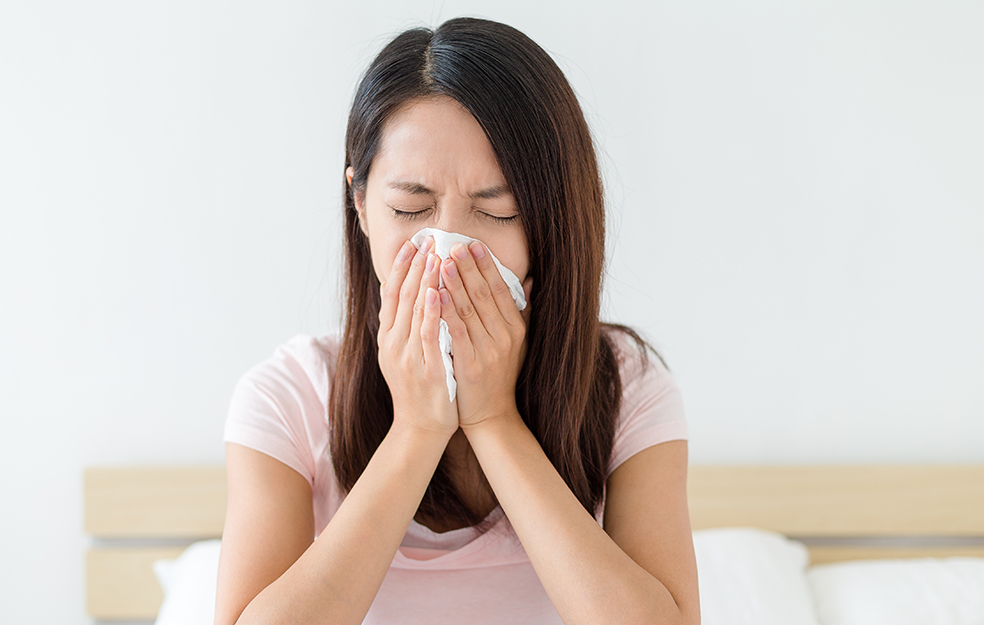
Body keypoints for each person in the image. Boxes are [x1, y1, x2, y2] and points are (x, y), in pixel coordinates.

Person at [215, 16, 699, 625]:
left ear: (551, 220)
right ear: (361, 206)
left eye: (497, 212)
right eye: (410, 208)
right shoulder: (289, 397)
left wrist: (494, 418)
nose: (447, 252)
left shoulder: (625, 386)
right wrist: (417, 429)